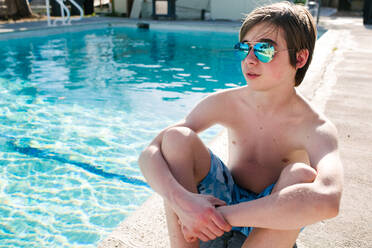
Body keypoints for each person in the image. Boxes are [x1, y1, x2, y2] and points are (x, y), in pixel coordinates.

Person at [138, 1, 343, 247]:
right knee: (175, 138)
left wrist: (218, 217)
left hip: (269, 216)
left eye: (265, 50)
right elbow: (150, 153)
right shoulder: (226, 103)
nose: (250, 59)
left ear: (299, 58)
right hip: (224, 197)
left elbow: (329, 199)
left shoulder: (315, 127)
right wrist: (184, 203)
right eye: (244, 48)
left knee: (302, 175)